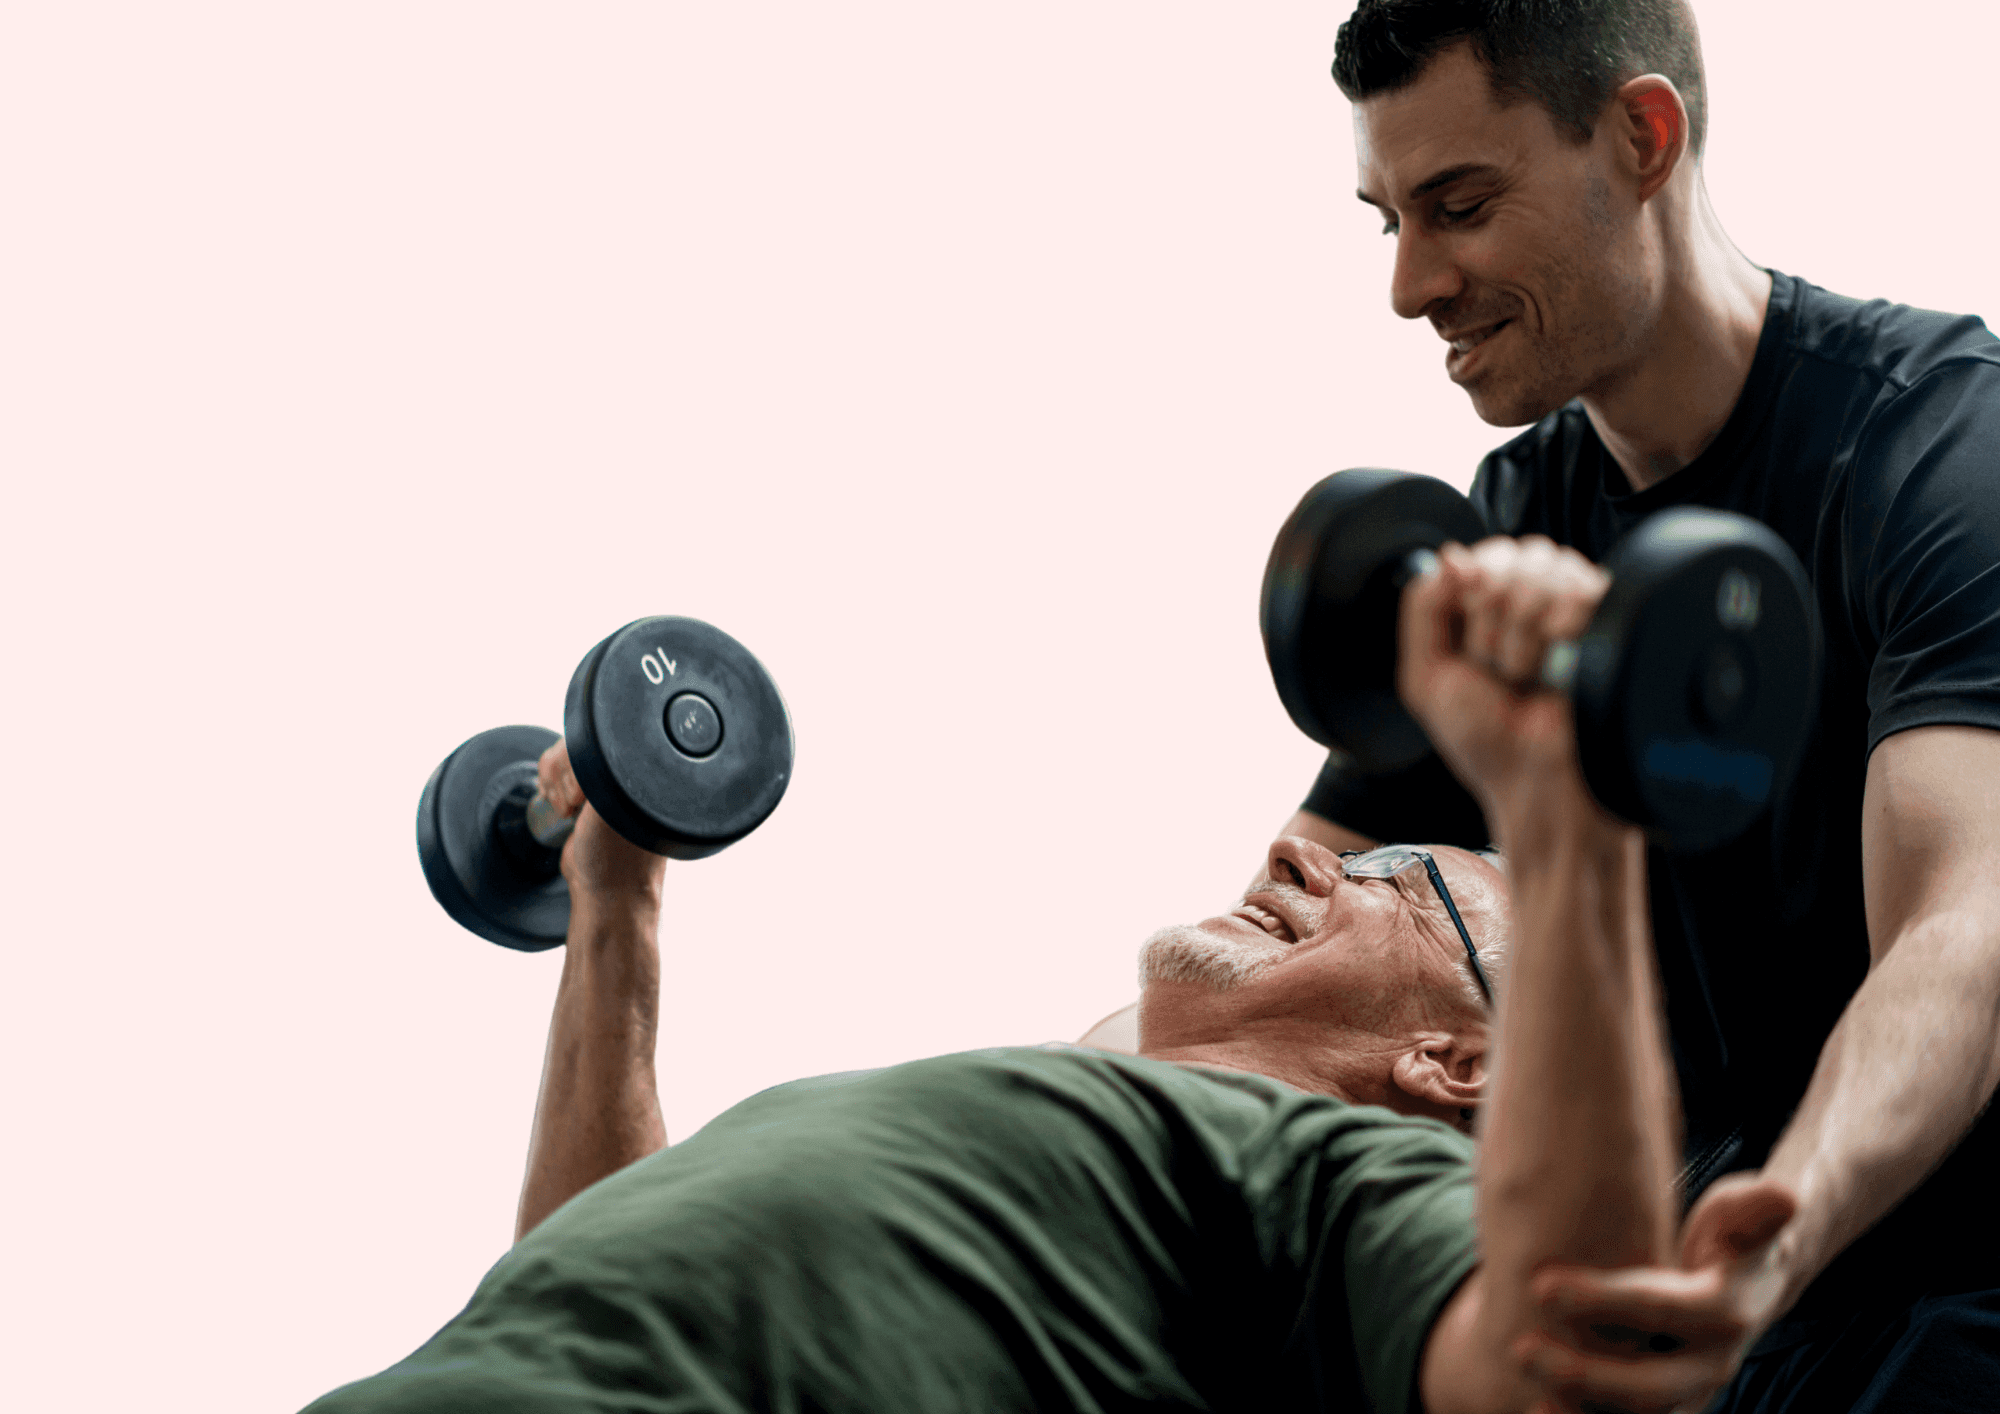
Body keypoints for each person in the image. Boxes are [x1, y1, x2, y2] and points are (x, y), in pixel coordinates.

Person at [299, 561, 1792, 1414]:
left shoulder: (1335, 1184)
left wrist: (1567, 812)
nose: (1303, 846)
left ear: (1457, 1065)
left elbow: (1559, 1355)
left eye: (1395, 872)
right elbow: (580, 1270)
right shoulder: (1052, 1132)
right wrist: (618, 904)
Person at [1277, 2, 2000, 1408]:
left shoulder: (1935, 448)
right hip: (1706, 1316)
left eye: (1461, 206)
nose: (1412, 284)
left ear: (1642, 136)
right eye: (1389, 222)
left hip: (1948, 1297)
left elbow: (1964, 938)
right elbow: (1288, 942)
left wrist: (1779, 1230)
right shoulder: (1516, 529)